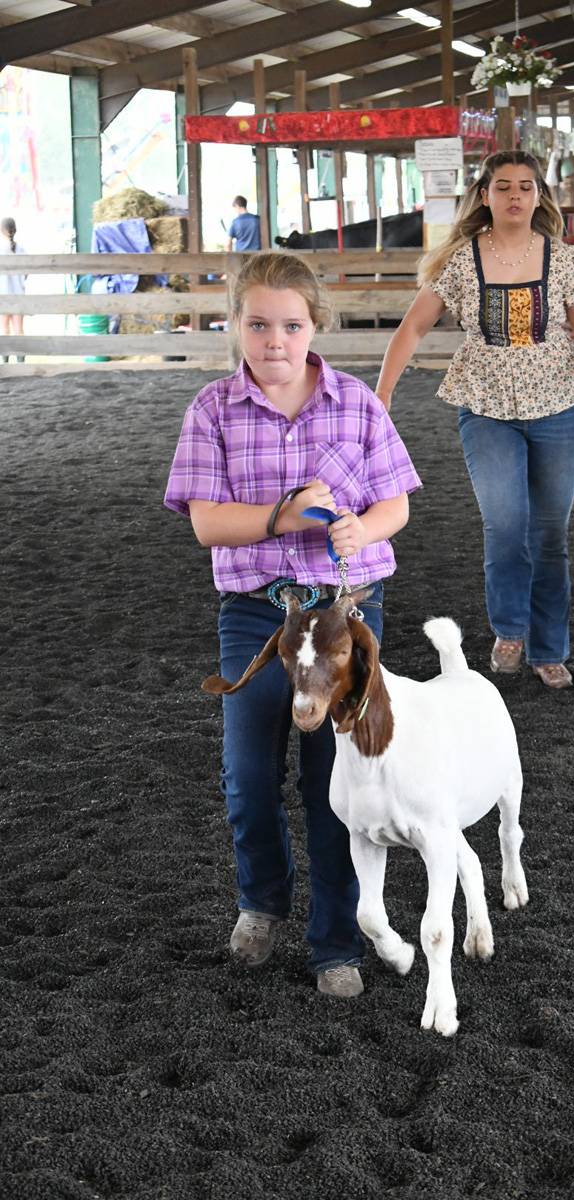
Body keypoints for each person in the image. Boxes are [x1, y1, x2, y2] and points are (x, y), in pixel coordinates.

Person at [164, 252, 421, 998]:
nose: (275, 340)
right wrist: (286, 516)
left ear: (316, 327)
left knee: (335, 783)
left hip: (346, 614)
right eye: (259, 324)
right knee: (248, 774)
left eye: (291, 325)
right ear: (235, 326)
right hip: (258, 615)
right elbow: (208, 524)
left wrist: (360, 531)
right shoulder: (211, 409)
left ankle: (335, 942)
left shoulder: (357, 404)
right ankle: (261, 901)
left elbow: (396, 504)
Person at [375, 150, 574, 689]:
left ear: (539, 195)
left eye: (524, 186)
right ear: (485, 196)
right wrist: (383, 392)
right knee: (505, 524)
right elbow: (412, 329)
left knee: (549, 532)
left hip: (560, 406)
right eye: (503, 187)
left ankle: (549, 649)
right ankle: (509, 629)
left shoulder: (563, 260)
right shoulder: (460, 262)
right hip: (486, 409)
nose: (514, 195)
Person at [0, 217, 26, 363]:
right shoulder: (21, 249)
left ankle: (5, 363)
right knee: (19, 329)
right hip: (19, 295)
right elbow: (28, 272)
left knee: (4, 329)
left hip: (2, 294)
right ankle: (21, 363)